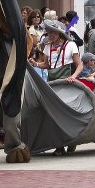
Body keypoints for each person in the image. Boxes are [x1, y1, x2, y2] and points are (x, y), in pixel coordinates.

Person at [29, 19, 82, 156]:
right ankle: (60, 145)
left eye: (53, 32)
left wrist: (74, 77)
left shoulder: (71, 45)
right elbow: (47, 65)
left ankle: (71, 141)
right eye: (49, 32)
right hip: (53, 84)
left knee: (67, 114)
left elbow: (79, 65)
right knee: (53, 115)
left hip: (67, 83)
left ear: (59, 32)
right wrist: (36, 64)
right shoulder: (47, 47)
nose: (50, 34)